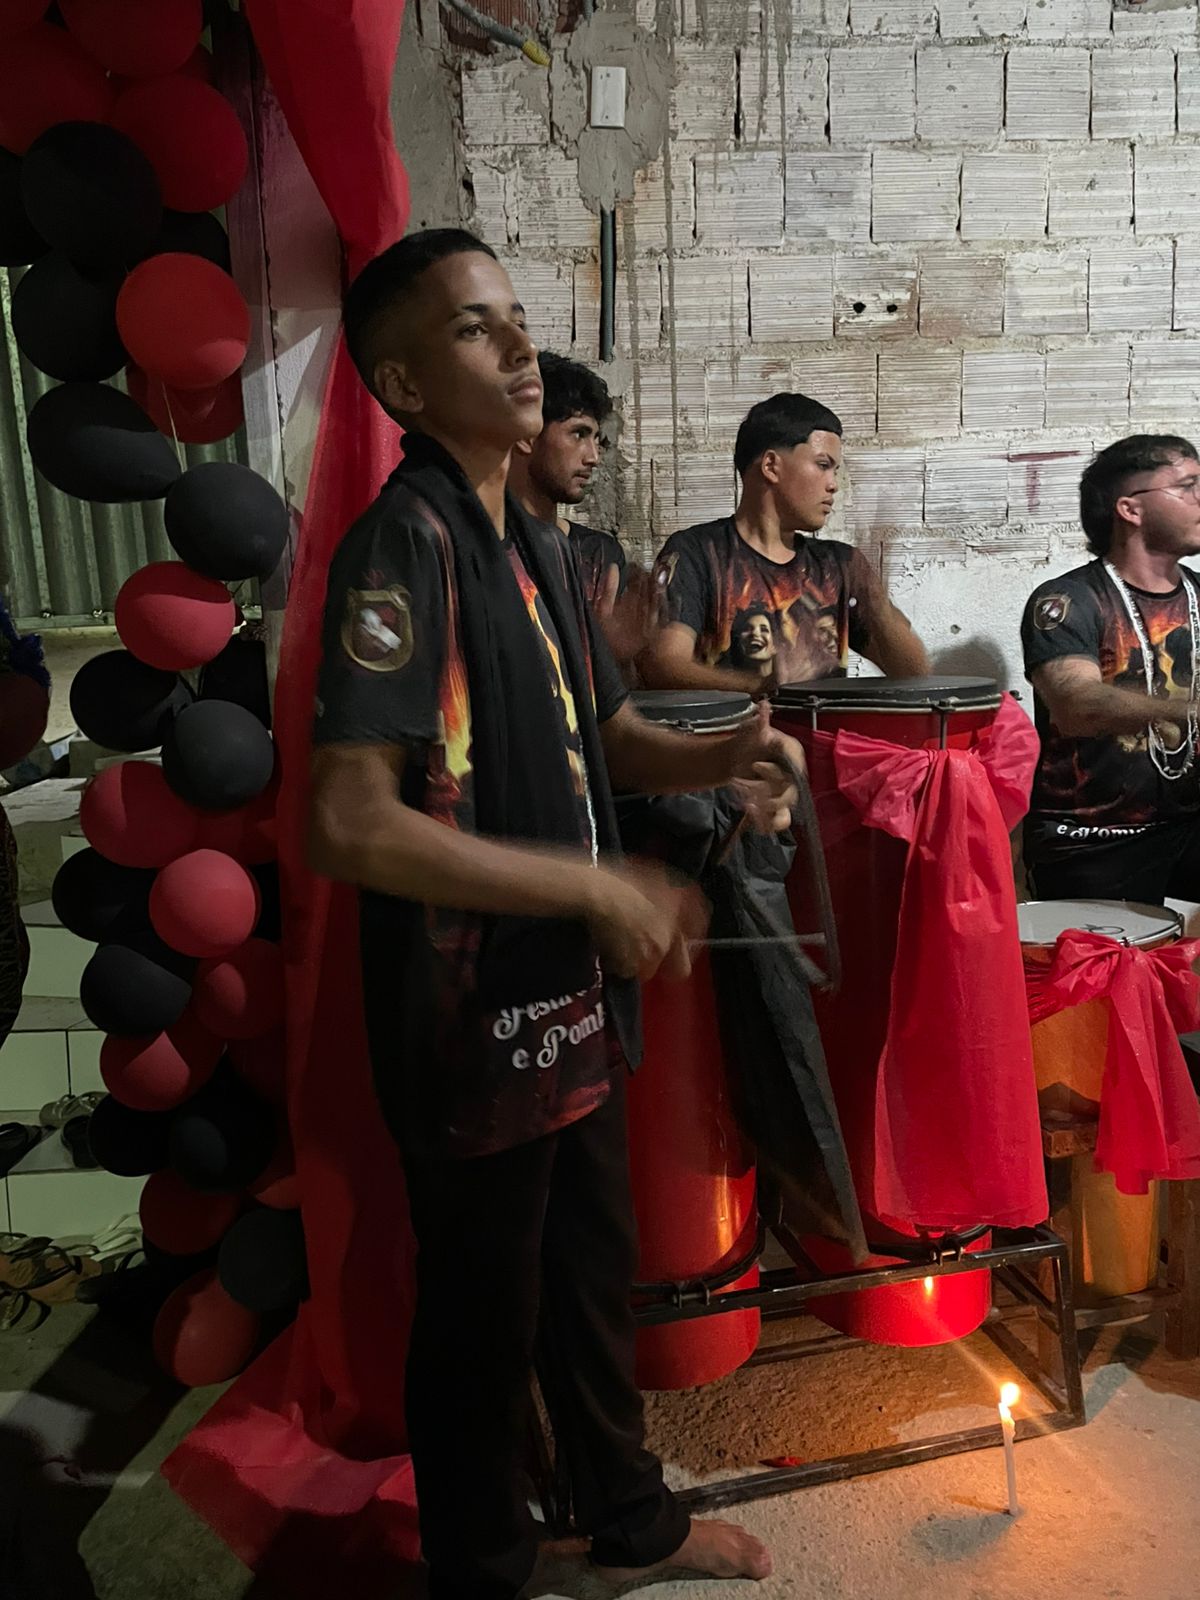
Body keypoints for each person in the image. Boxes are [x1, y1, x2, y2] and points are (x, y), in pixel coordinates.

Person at [307, 227, 802, 1598]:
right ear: (405, 386)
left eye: (516, 315)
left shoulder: (535, 542)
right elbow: (347, 819)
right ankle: (484, 1565)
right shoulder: (403, 547)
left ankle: (631, 1522)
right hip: (470, 1016)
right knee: (483, 1317)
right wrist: (591, 884)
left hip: (565, 997)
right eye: (477, 328)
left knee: (590, 1277)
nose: (522, 347)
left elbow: (605, 735)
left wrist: (726, 753)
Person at [642, 392, 929, 693]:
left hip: (826, 725)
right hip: (740, 725)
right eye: (822, 465)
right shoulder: (698, 553)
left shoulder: (839, 565)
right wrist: (763, 687)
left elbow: (915, 675)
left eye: (835, 471)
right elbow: (663, 665)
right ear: (771, 466)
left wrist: (879, 608)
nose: (833, 484)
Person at [1021, 434, 1200, 904]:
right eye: (1187, 486)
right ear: (1130, 509)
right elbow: (1076, 706)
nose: (1199, 498)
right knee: (1097, 954)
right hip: (1092, 839)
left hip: (1189, 827)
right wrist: (1185, 709)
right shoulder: (1068, 601)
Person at [508, 349, 661, 667]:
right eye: (578, 434)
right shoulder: (480, 550)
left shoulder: (598, 556)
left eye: (596, 440)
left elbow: (616, 691)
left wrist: (619, 657)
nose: (593, 457)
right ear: (527, 433)